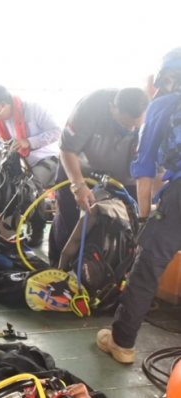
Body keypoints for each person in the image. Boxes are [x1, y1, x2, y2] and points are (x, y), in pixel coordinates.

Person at [98, 49, 181, 364]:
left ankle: (121, 342)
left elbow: (145, 170)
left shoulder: (164, 105)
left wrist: (144, 219)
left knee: (146, 269)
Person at [48, 88, 149, 265]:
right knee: (70, 222)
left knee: (124, 231)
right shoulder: (91, 107)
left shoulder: (154, 119)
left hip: (128, 179)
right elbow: (68, 149)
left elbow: (154, 171)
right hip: (80, 170)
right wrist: (78, 185)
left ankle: (102, 277)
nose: (131, 130)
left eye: (136, 126)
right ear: (112, 108)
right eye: (126, 124)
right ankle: (59, 269)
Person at [0, 84, 61, 246]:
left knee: (31, 184)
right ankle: (3, 227)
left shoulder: (33, 110)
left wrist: (28, 142)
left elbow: (56, 131)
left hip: (45, 159)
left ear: (2, 104)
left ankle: (37, 227)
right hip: (16, 163)